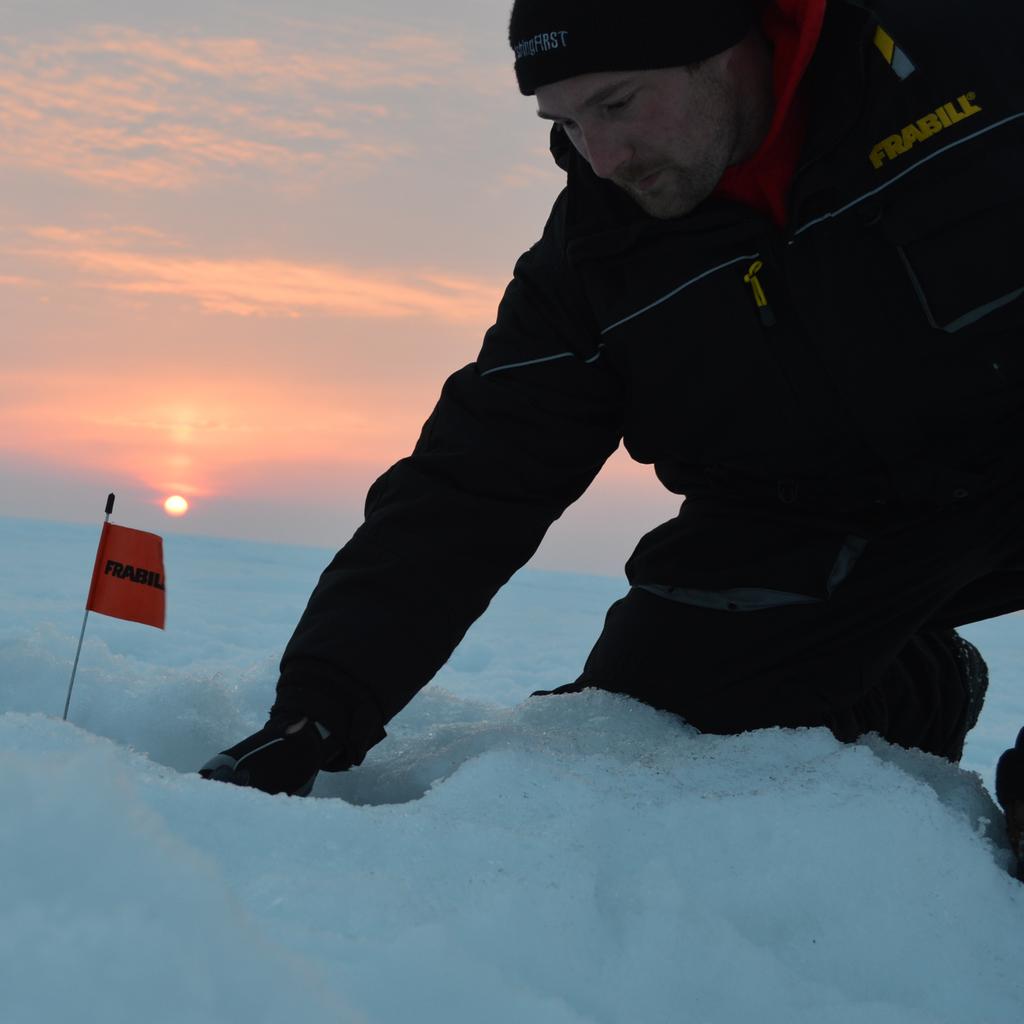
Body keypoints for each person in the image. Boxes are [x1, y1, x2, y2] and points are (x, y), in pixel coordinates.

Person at [200, 0, 1024, 874]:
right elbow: (473, 481)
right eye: (567, 121)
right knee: (652, 735)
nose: (603, 156)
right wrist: (318, 712)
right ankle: (916, 681)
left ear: (727, 41)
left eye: (619, 104)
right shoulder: (595, 258)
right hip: (824, 520)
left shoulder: (974, 61)